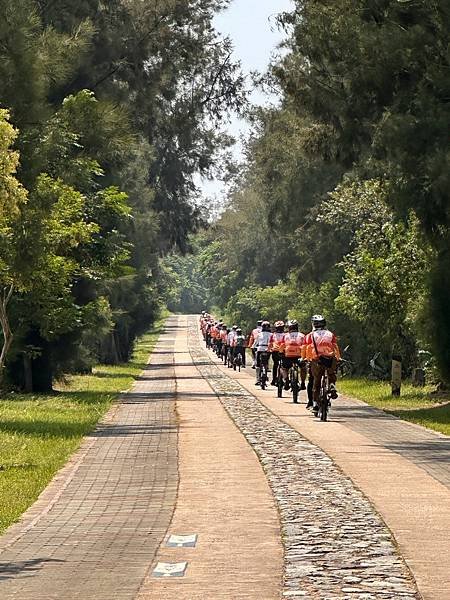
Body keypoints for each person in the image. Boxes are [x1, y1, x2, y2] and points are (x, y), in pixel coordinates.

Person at [304, 314, 341, 409]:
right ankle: (332, 385)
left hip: (317, 359)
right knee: (331, 374)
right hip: (330, 358)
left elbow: (306, 348)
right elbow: (335, 346)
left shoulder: (310, 335)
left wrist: (306, 358)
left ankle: (315, 403)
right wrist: (338, 358)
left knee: (316, 380)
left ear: (313, 324)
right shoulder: (330, 334)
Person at [279, 320, 307, 392]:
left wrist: (281, 352)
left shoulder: (285, 336)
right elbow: (305, 346)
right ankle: (303, 383)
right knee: (303, 368)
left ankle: (286, 379)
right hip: (299, 356)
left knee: (283, 368)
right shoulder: (302, 335)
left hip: (288, 355)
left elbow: (282, 345)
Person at [268, 320, 285, 386]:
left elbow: (270, 343)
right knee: (284, 366)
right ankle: (284, 379)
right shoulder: (285, 335)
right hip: (283, 351)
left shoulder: (273, 335)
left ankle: (274, 379)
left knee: (275, 365)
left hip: (275, 351)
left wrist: (269, 350)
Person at [254, 320, 271, 385]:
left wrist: (253, 347)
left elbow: (256, 342)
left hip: (260, 349)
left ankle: (258, 379)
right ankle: (266, 371)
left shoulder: (259, 334)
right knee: (266, 362)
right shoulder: (271, 334)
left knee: (258, 364)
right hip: (268, 349)